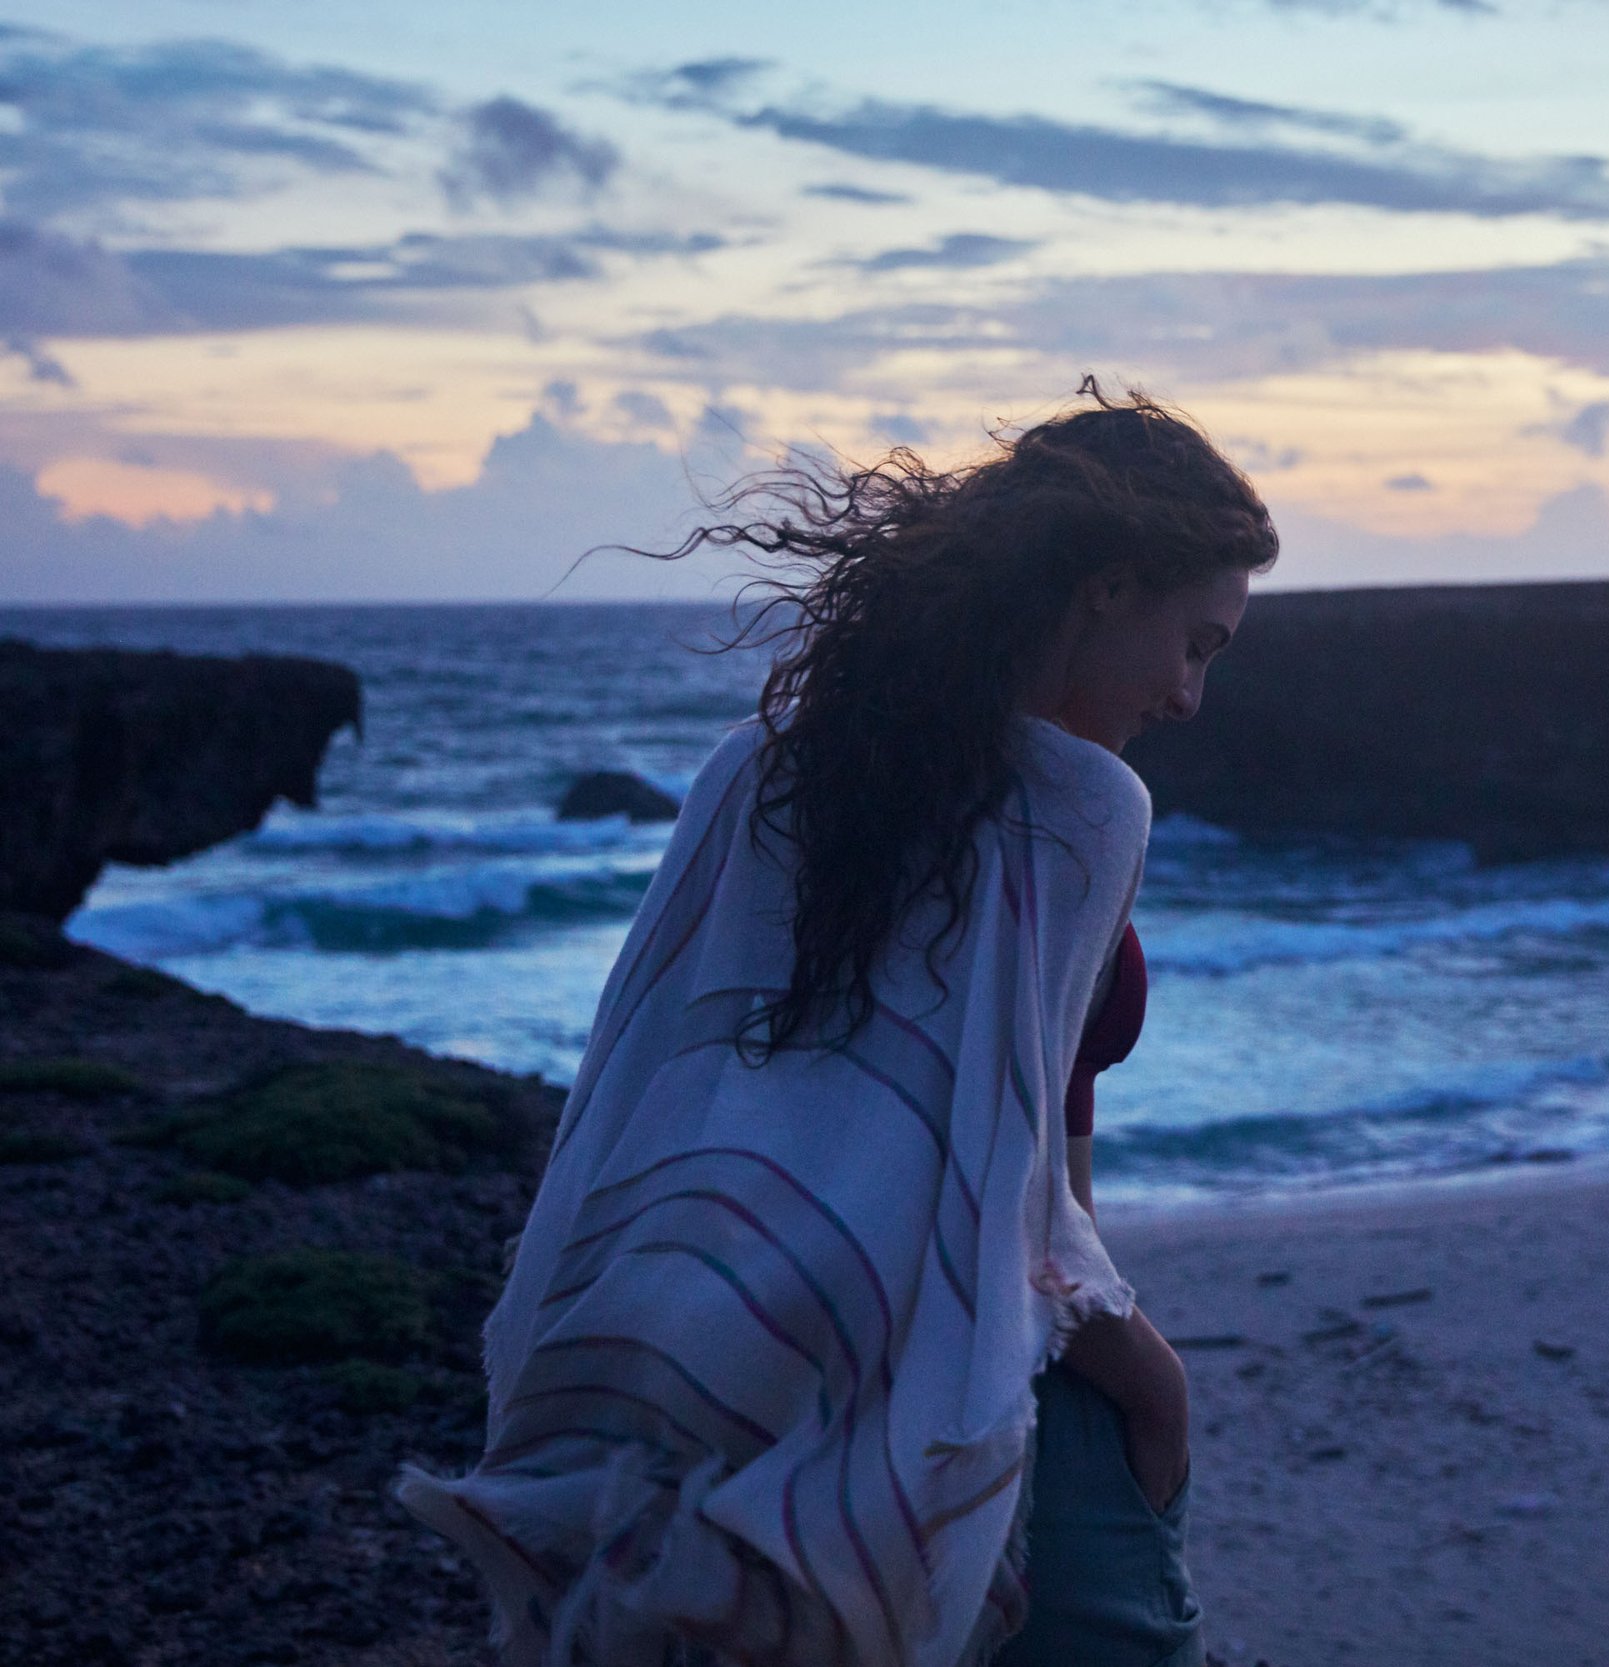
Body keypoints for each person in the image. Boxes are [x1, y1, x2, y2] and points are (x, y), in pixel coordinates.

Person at [399, 381, 1276, 1667]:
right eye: (1194, 643)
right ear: (1106, 583)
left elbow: (654, 1087)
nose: (1190, 696)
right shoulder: (1087, 808)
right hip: (984, 1378)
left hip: (741, 1361)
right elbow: (1023, 1197)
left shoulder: (764, 769)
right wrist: (1155, 1383)